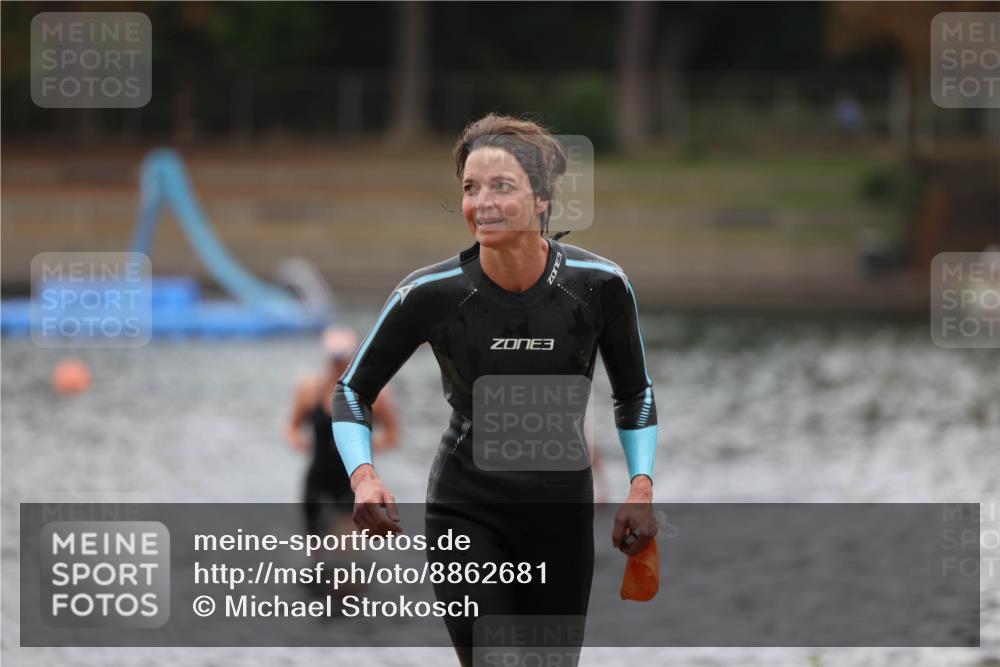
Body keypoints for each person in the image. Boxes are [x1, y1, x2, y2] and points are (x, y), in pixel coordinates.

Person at [331, 113, 658, 665]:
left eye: (501, 186)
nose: (481, 202)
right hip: (467, 511)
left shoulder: (600, 286)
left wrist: (640, 489)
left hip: (561, 516)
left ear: (543, 201)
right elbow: (351, 392)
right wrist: (364, 478)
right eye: (469, 188)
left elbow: (634, 395)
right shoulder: (429, 294)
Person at [286, 325, 399, 539]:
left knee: (348, 550)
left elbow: (393, 434)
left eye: (343, 357)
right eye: (334, 358)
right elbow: (292, 427)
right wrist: (298, 440)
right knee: (316, 550)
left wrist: (364, 445)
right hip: (318, 478)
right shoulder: (311, 389)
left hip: (354, 481)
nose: (339, 364)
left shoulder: (376, 394)